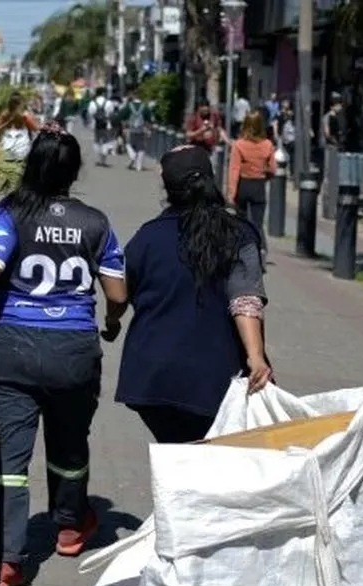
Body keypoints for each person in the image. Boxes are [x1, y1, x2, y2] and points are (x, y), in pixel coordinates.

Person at [0, 123, 128, 586]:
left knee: (10, 458)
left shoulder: (12, 211)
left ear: (31, 164)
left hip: (11, 347)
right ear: (74, 171)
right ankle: (70, 527)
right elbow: (117, 292)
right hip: (73, 349)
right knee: (70, 444)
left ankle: (5, 562)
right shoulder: (95, 222)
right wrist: (112, 322)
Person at [111, 145, 271, 443]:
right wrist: (256, 357)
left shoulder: (147, 237)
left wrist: (111, 321)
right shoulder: (239, 233)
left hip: (151, 377)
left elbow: (121, 293)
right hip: (214, 378)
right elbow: (244, 299)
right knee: (207, 456)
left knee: (176, 450)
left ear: (167, 188)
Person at [227, 111, 277, 260]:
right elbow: (273, 169)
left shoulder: (239, 145)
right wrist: (265, 175)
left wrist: (231, 193)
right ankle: (260, 250)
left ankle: (240, 251)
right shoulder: (267, 145)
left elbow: (234, 170)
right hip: (259, 186)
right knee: (257, 223)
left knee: (240, 221)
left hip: (243, 184)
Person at [184, 101, 228, 173]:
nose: (206, 112)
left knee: (211, 171)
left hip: (210, 150)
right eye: (204, 111)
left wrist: (228, 142)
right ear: (199, 108)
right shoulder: (194, 117)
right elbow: (188, 135)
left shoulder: (214, 116)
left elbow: (219, 129)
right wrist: (200, 131)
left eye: (207, 110)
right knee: (197, 172)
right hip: (196, 151)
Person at [0, 91, 39, 161]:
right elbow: (35, 128)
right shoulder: (21, 115)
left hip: (13, 144)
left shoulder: (22, 115)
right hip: (16, 144)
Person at [119, 92, 153, 172]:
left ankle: (133, 155)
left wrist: (123, 127)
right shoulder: (145, 107)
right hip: (141, 129)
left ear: (134, 97)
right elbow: (149, 120)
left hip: (130, 129)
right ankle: (139, 166)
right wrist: (149, 130)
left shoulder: (128, 106)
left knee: (128, 144)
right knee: (141, 147)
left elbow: (121, 116)